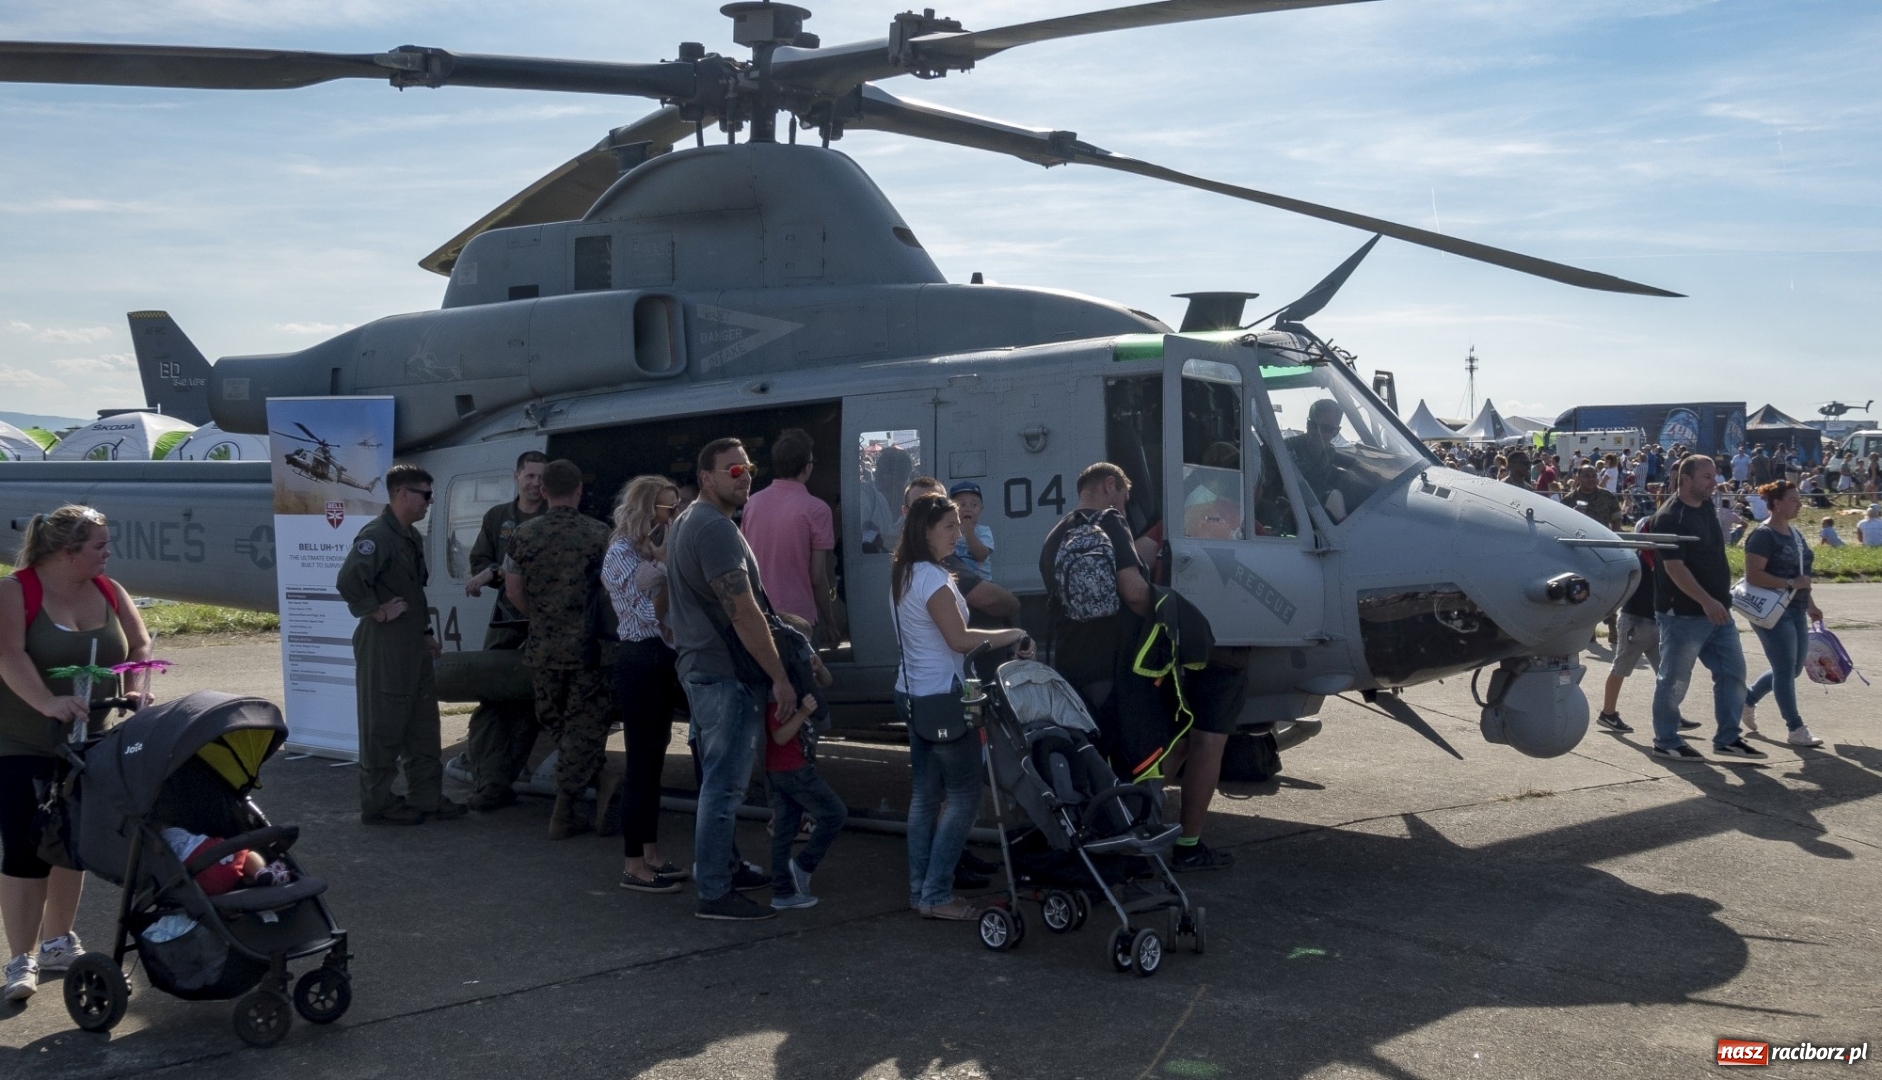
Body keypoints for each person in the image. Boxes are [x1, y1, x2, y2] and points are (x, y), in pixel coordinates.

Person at [0, 506, 151, 1002]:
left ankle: (58, 942)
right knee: (27, 847)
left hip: (89, 742)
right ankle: (20, 958)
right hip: (20, 742)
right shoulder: (15, 591)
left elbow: (140, 644)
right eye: (99, 546)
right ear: (67, 553)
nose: (108, 553)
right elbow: (9, 655)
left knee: (72, 843)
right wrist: (48, 702)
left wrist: (133, 686)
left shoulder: (110, 589)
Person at [667, 437, 795, 921]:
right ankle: (716, 891)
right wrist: (780, 677)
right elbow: (743, 611)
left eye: (748, 469)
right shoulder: (713, 529)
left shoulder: (687, 522)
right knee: (724, 787)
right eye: (734, 471)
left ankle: (726, 865)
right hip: (725, 674)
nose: (745, 478)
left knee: (718, 784)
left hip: (704, 669)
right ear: (707, 477)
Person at [892, 493, 1032, 920]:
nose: (959, 532)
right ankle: (936, 895)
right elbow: (959, 639)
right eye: (949, 526)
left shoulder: (905, 572)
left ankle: (922, 892)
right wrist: (1013, 633)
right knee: (965, 797)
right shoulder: (932, 578)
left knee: (925, 796)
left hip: (914, 692)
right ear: (926, 531)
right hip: (942, 695)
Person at [337, 465, 465, 826]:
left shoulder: (409, 537)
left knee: (422, 723)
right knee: (384, 724)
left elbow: (414, 592)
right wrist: (376, 612)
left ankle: (426, 796)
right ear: (403, 494)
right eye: (425, 495)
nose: (429, 503)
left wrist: (426, 633)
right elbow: (349, 580)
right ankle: (377, 803)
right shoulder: (376, 536)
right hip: (385, 646)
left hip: (412, 644)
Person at [504, 459, 615, 840]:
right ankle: (565, 811)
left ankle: (593, 788)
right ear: (580, 490)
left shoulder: (522, 535)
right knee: (584, 728)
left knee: (560, 725)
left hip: (543, 649)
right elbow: (614, 592)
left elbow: (513, 591)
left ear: (544, 491)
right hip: (589, 652)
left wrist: (545, 618)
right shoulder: (601, 534)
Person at [603, 476, 688, 892]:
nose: (673, 516)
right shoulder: (620, 551)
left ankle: (650, 853)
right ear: (645, 509)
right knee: (640, 762)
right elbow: (647, 616)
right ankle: (634, 864)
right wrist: (661, 569)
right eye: (666, 508)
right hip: (641, 657)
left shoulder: (649, 548)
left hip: (661, 659)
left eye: (675, 508)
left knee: (655, 761)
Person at [1647, 455, 1762, 762]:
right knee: (1674, 680)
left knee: (1733, 673)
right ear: (1685, 479)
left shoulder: (1708, 505)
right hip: (1684, 614)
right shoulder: (1670, 516)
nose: (1715, 482)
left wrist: (1718, 600)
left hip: (1717, 610)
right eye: (1706, 477)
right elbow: (1674, 568)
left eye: (1714, 476)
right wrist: (1706, 601)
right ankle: (1666, 740)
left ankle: (1727, 739)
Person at [462, 450, 549, 812]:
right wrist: (495, 572)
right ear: (516, 477)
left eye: (542, 477)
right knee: (493, 701)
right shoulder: (497, 517)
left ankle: (503, 780)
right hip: (505, 622)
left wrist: (498, 573)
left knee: (529, 706)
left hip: (544, 622)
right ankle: (489, 781)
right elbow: (479, 561)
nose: (535, 483)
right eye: (529, 476)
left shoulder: (554, 519)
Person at [1038, 463, 1154, 722]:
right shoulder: (1110, 521)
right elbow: (1134, 592)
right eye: (1123, 500)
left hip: (1069, 664)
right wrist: (1164, 613)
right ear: (1110, 485)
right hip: (1110, 665)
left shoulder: (1054, 536)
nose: (1122, 509)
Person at [765, 613, 843, 911]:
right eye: (804, 648)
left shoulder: (798, 679)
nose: (809, 652)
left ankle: (783, 892)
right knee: (834, 813)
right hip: (791, 767)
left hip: (786, 768)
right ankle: (803, 866)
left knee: (784, 829)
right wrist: (801, 713)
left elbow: (828, 680)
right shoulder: (780, 691)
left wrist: (816, 668)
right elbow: (780, 736)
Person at [1738, 481, 1826, 748]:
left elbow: (1802, 575)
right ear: (1776, 503)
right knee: (1785, 669)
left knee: (1793, 668)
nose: (1799, 504)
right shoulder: (1763, 535)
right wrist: (1790, 585)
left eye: (1799, 499)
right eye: (1793, 499)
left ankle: (1747, 699)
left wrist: (1810, 603)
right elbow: (1754, 575)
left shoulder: (1795, 533)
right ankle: (1795, 728)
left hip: (1797, 608)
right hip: (1772, 612)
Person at [739, 428, 839, 647]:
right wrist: (830, 621)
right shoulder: (817, 510)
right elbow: (817, 576)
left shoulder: (752, 504)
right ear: (807, 466)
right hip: (799, 618)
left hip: (760, 614)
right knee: (805, 677)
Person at [904, 478, 1020, 622]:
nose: (930, 516)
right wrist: (1014, 605)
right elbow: (990, 600)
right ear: (906, 512)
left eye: (939, 507)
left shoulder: (907, 558)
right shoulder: (937, 562)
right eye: (921, 509)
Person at [948, 481, 995, 578]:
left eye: (974, 505)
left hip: (980, 581)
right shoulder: (947, 531)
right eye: (962, 505)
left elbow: (981, 556)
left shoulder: (983, 531)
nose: (968, 509)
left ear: (981, 509)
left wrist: (969, 532)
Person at [1566, 465, 1623, 531]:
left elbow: (1617, 520)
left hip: (1601, 538)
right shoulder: (1568, 499)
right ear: (1578, 478)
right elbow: (1563, 522)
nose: (1591, 479)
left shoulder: (1608, 496)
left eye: (1594, 476)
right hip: (1578, 538)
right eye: (1586, 476)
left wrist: (1613, 539)